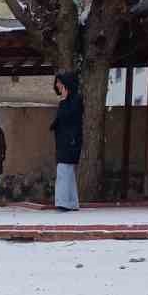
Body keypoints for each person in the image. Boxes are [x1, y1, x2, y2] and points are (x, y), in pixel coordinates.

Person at [50, 71, 84, 211]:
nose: (57, 85)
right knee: (67, 172)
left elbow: (67, 118)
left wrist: (63, 101)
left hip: (70, 141)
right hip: (65, 141)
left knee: (63, 171)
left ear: (66, 84)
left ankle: (63, 202)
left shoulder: (74, 100)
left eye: (59, 82)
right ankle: (71, 202)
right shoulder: (69, 101)